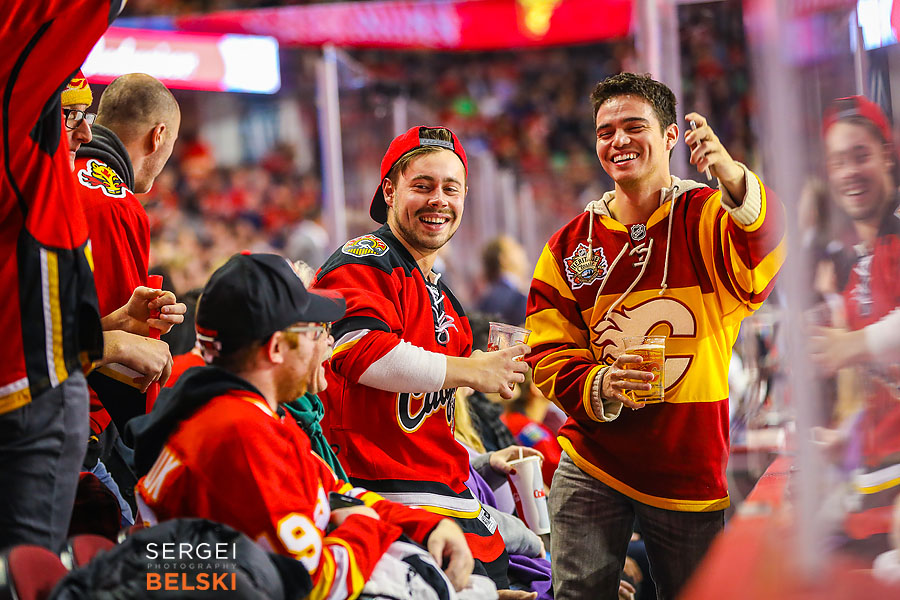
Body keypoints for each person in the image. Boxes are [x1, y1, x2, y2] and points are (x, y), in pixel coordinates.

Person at [525, 72, 785, 599]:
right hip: (593, 459)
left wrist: (733, 176)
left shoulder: (708, 217)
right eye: (605, 132)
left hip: (686, 465)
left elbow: (767, 252)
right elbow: (546, 349)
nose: (617, 140)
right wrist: (599, 384)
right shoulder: (569, 245)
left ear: (669, 137)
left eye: (633, 126)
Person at [129, 253, 476, 598]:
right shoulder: (240, 435)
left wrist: (427, 525)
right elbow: (316, 582)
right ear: (277, 347)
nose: (328, 343)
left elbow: (337, 492)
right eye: (316, 331)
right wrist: (364, 524)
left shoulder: (246, 411)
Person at [315, 126, 531, 589]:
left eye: (451, 188)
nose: (439, 200)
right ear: (389, 191)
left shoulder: (447, 299)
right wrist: (469, 369)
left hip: (450, 500)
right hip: (389, 503)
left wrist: (482, 460)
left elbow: (426, 426)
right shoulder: (364, 261)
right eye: (423, 185)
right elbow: (359, 353)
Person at [0, 0, 125, 551]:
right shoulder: (15, 77)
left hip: (32, 380)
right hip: (28, 390)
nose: (84, 134)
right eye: (70, 115)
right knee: (34, 571)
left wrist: (108, 329)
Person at [810, 96, 900, 550]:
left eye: (860, 155)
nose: (849, 172)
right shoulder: (856, 257)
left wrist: (855, 344)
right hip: (877, 478)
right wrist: (844, 437)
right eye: (839, 161)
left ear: (887, 155)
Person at [75, 73, 181, 433]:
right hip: (77, 418)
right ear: (158, 136)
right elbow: (127, 369)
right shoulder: (113, 201)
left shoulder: (59, 175)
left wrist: (122, 322)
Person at [477, 235, 529, 326]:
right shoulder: (519, 299)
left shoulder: (484, 301)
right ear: (503, 259)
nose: (523, 254)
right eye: (516, 249)